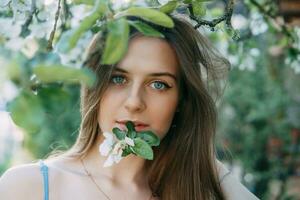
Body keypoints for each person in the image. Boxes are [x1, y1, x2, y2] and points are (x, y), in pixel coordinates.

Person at [0, 15, 259, 200]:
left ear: (181, 101)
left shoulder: (189, 193)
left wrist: (208, 165)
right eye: (118, 78)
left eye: (158, 84)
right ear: (95, 86)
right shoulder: (28, 187)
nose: (134, 102)